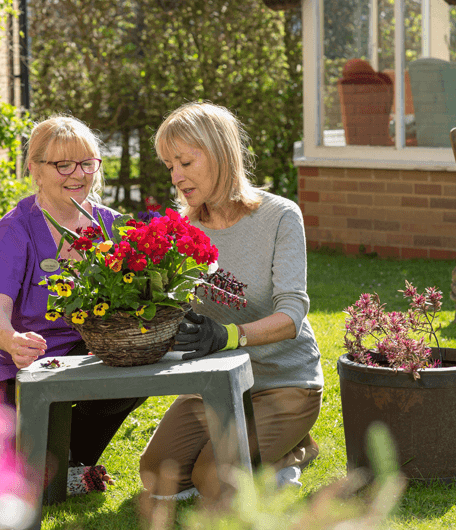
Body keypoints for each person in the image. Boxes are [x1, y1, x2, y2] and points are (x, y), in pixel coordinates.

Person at [0, 115, 144, 495]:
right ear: (35, 169)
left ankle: (73, 461)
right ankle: (46, 464)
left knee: (130, 364)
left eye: (87, 163)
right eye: (63, 164)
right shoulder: (10, 233)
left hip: (65, 357)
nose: (77, 175)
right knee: (2, 481)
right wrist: (13, 340)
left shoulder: (111, 227)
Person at [139, 102, 324, 501]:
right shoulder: (183, 229)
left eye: (185, 161)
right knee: (157, 475)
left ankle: (287, 452)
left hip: (284, 382)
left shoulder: (279, 216)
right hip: (217, 385)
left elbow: (292, 315)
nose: (176, 176)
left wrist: (228, 335)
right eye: (170, 165)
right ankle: (269, 447)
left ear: (221, 154)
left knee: (214, 481)